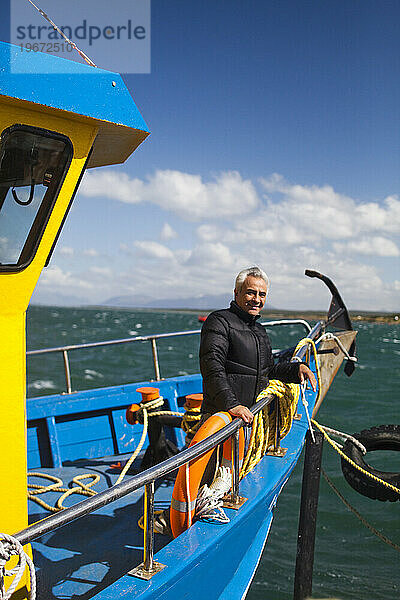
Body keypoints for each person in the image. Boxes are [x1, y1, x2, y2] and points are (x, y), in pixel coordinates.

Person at [199, 266, 316, 424]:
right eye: (251, 292)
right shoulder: (219, 321)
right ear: (236, 293)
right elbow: (211, 367)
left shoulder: (259, 331)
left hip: (251, 417)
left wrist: (296, 369)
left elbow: (268, 371)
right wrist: (232, 405)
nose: (257, 300)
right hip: (223, 418)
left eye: (262, 295)